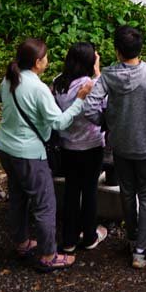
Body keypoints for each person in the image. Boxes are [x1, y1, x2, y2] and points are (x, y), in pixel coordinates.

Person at [0, 37, 92, 272]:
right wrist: (79, 100)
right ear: (38, 62)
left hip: (5, 147)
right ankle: (49, 255)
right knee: (45, 204)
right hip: (28, 153)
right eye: (46, 57)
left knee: (18, 197)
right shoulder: (37, 88)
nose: (48, 60)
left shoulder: (8, 79)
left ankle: (21, 242)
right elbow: (59, 123)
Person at [92, 25, 146, 269]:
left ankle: (132, 238)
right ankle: (141, 250)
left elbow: (90, 106)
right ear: (140, 48)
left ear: (117, 51)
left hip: (121, 145)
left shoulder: (108, 75)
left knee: (128, 192)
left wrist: (105, 122)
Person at [51, 42, 109, 254]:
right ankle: (90, 236)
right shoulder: (92, 84)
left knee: (71, 191)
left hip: (67, 146)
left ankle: (68, 240)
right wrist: (98, 73)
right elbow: (106, 106)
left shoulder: (58, 82)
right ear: (90, 62)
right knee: (90, 191)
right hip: (91, 146)